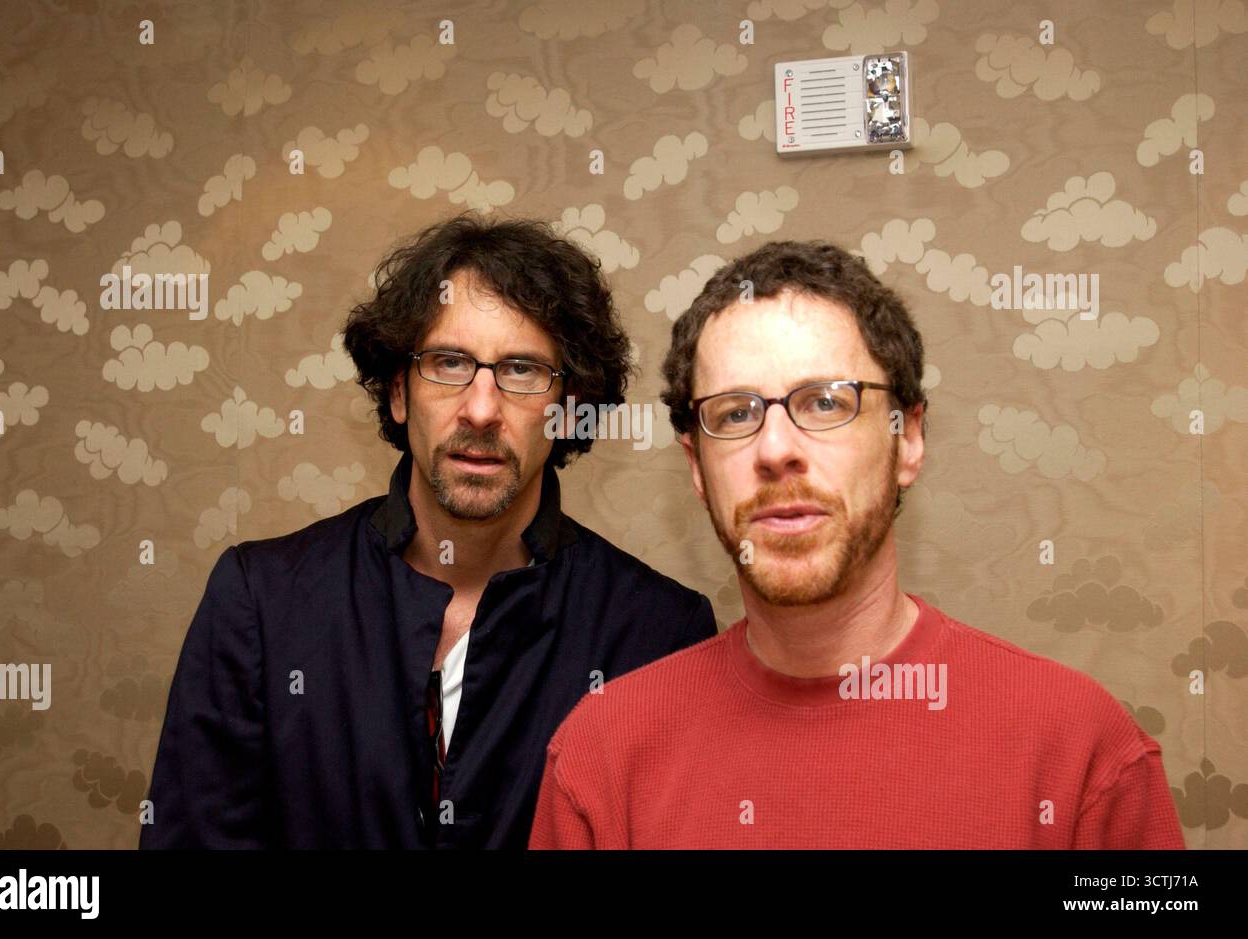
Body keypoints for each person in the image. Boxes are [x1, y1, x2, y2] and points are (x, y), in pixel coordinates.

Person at [529, 240, 1186, 849]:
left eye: (825, 403)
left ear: (909, 438)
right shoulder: (599, 760)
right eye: (734, 413)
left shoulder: (1080, 752)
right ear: (697, 468)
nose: (777, 450)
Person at [140, 213, 717, 849]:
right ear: (397, 392)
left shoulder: (658, 633)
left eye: (522, 370)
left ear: (567, 410)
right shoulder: (263, 600)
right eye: (448, 363)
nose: (480, 409)